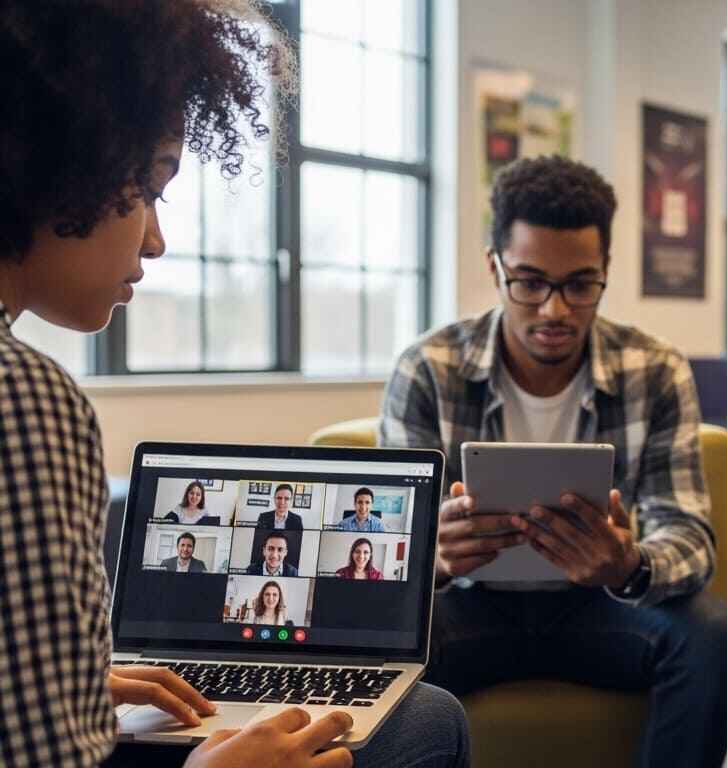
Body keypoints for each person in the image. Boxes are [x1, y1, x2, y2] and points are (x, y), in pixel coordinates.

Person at [0, 3, 467, 768]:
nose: (156, 238)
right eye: (149, 188)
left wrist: (76, 683)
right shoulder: (25, 401)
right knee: (426, 723)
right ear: (58, 162)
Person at [381, 154, 727, 768]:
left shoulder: (654, 369)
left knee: (711, 634)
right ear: (494, 268)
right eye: (529, 282)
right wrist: (431, 560)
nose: (554, 310)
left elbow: (688, 534)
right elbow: (383, 550)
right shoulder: (429, 368)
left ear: (605, 270)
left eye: (579, 285)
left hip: (600, 609)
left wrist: (629, 564)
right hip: (469, 607)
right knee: (374, 646)